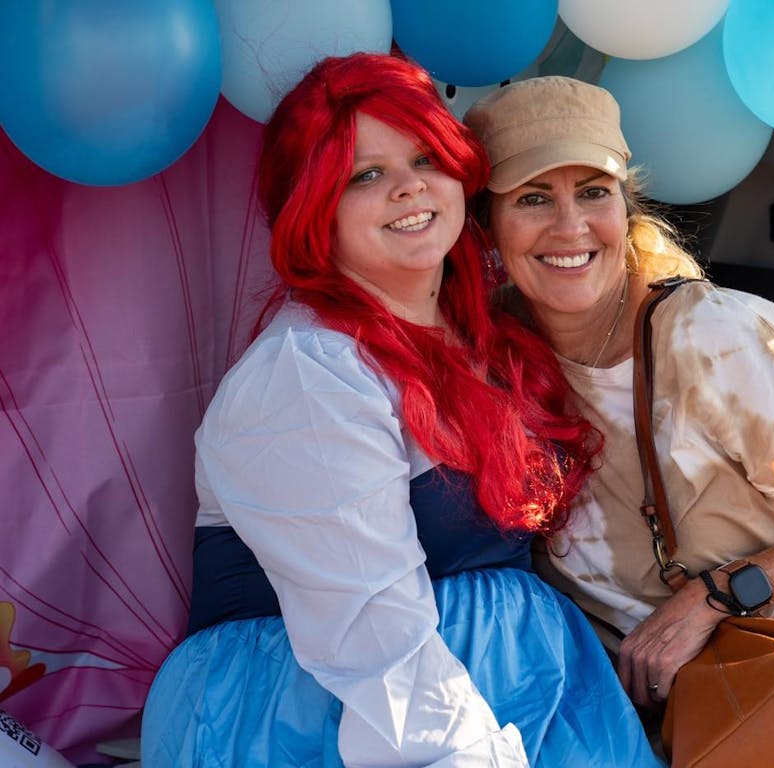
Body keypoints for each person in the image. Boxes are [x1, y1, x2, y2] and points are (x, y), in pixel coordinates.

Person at [141, 55, 663, 768]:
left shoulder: (484, 333)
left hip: (528, 687)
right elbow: (375, 649)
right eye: (365, 175)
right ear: (312, 209)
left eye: (424, 157)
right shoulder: (307, 378)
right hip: (325, 718)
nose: (410, 187)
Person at [464, 76, 774, 709]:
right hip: (625, 708)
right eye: (533, 198)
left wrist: (714, 595)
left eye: (594, 193)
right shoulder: (485, 354)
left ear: (625, 210)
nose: (570, 226)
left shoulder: (720, 338)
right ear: (486, 225)